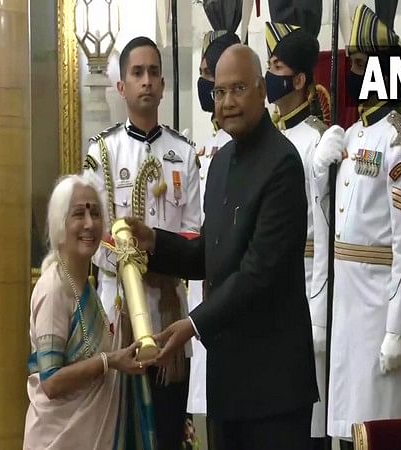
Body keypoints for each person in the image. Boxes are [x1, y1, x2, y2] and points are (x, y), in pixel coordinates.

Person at [127, 44, 318, 450]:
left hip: (275, 389)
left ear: (262, 90)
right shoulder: (220, 162)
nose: (227, 102)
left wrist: (193, 324)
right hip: (228, 383)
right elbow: (210, 256)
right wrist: (154, 242)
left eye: (239, 89)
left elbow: (259, 270)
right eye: (220, 92)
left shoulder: (282, 163)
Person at [312, 5, 401, 449]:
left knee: (381, 431)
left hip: (379, 309)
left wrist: (400, 327)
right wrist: (320, 174)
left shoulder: (400, 142)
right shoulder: (353, 134)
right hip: (346, 305)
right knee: (347, 429)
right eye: (353, 63)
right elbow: (334, 223)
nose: (354, 72)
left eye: (361, 64)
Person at [83, 36, 201, 450]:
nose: (146, 81)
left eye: (153, 73)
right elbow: (90, 236)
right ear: (121, 87)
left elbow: (193, 235)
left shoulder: (183, 153)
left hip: (167, 312)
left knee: (168, 430)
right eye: (137, 73)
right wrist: (127, 260)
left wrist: (158, 254)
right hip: (119, 315)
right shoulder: (103, 152)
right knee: (120, 431)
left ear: (164, 85)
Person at [23, 173, 154, 450]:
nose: (89, 224)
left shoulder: (86, 286)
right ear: (59, 223)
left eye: (95, 213)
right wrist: (110, 361)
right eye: (78, 214)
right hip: (58, 439)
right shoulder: (54, 289)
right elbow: (52, 383)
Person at [264, 22, 328, 450]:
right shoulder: (269, 138)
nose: (269, 76)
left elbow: (324, 234)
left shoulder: (317, 143)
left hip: (305, 287)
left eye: (276, 66)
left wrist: (320, 312)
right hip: (266, 290)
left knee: (306, 426)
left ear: (299, 79)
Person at [187, 29, 240, 447]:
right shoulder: (206, 151)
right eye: (209, 84)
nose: (210, 91)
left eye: (214, 81)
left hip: (232, 305)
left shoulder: (255, 154)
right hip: (201, 298)